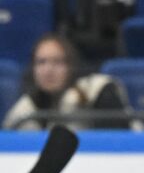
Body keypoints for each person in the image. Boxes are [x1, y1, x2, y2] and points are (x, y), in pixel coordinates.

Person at [3, 33, 136, 131]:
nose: (48, 70)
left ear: (71, 66)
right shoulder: (24, 110)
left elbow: (118, 141)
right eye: (41, 62)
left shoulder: (97, 90)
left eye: (57, 62)